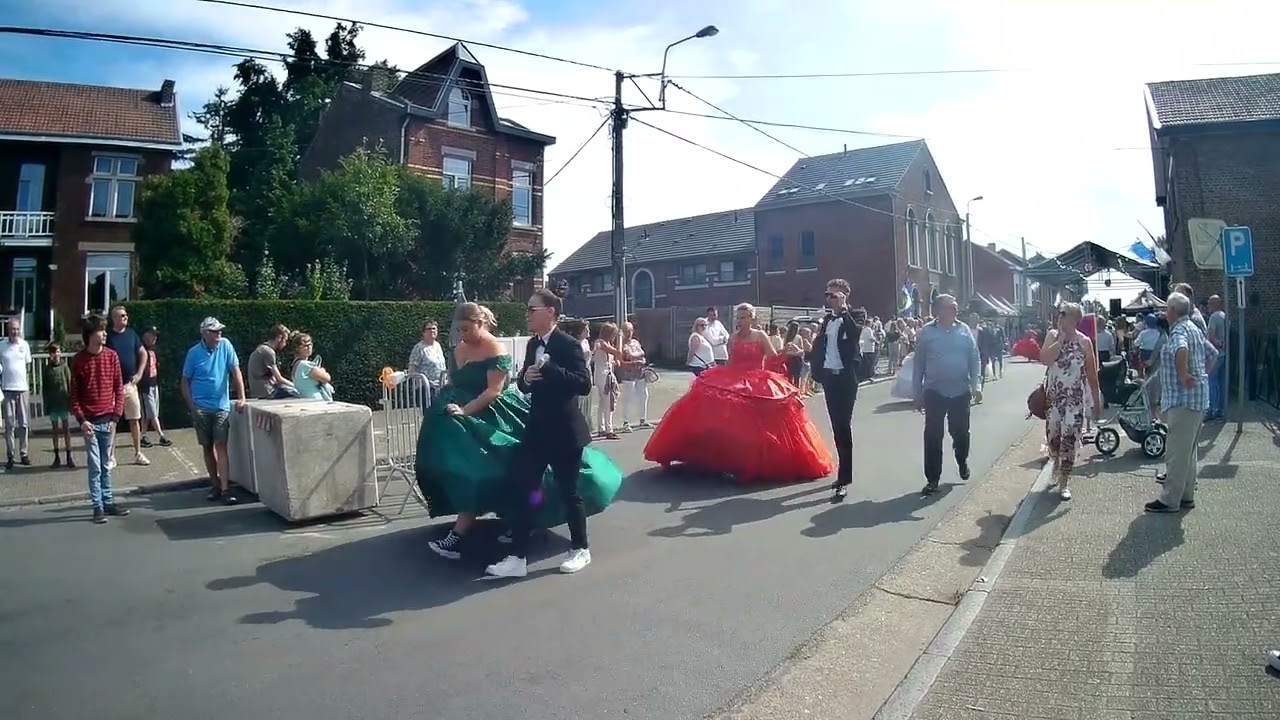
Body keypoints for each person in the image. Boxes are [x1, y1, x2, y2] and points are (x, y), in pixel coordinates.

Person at [419, 303, 621, 562]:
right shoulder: (476, 346)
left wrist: (465, 410)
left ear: (480, 323)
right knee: (491, 474)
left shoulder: (501, 348)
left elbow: (494, 390)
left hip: (492, 417)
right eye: (459, 329)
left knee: (512, 476)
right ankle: (515, 542)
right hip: (460, 417)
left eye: (467, 328)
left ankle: (575, 546)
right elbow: (520, 384)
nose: (462, 334)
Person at [485, 291, 618, 579]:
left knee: (569, 491)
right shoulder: (533, 343)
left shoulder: (567, 344)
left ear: (550, 312)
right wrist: (525, 380)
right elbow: (524, 382)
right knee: (526, 490)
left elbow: (583, 384)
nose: (527, 314)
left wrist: (551, 369)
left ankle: (580, 547)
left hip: (564, 432)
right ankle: (518, 556)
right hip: (536, 431)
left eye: (531, 309)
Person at [643, 302, 833, 485]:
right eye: (739, 317)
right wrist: (723, 381)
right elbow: (731, 361)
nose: (741, 321)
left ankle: (760, 459)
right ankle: (721, 456)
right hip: (734, 376)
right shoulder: (733, 338)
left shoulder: (760, 336)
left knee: (761, 420)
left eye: (744, 317)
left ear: (752, 318)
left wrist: (788, 352)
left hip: (757, 378)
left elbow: (773, 356)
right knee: (714, 409)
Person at [1147, 292, 1217, 513]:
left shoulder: (1179, 331)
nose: (1164, 313)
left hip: (1182, 401)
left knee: (1176, 453)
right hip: (1197, 400)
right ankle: (1186, 495)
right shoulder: (1195, 328)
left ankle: (1170, 500)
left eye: (1166, 309)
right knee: (1189, 452)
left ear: (1173, 311)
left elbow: (1180, 348)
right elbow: (1213, 352)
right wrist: (1203, 375)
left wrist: (1184, 374)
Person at [913, 294, 982, 495]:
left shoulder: (964, 330)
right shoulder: (927, 332)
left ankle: (962, 460)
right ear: (939, 311)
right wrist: (917, 392)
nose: (955, 310)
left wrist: (976, 386)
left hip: (960, 391)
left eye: (955, 307)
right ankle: (933, 479)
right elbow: (919, 364)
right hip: (934, 391)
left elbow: (974, 358)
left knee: (960, 432)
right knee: (933, 434)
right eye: (951, 307)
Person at [181, 317, 248, 505]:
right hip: (201, 407)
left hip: (221, 406)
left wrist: (241, 397)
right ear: (205, 334)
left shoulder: (226, 346)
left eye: (220, 331)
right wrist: (192, 405)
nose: (219, 335)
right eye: (215, 332)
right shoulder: (194, 353)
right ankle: (215, 484)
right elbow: (185, 381)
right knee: (207, 446)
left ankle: (226, 488)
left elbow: (236, 371)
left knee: (221, 445)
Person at [1040, 303, 1102, 500]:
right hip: (1054, 399)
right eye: (1060, 313)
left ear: (1075, 319)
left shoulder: (1084, 342)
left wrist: (1096, 401)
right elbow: (1045, 359)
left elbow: (1092, 373)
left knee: (1069, 440)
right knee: (1053, 439)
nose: (1060, 317)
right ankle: (1056, 461)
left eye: (1064, 314)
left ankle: (1064, 481)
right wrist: (1061, 339)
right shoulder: (1052, 336)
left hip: (1074, 400)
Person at [69, 315, 127, 524]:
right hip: (90, 421)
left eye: (104, 331)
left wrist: (116, 417)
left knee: (106, 464)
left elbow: (118, 389)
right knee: (94, 465)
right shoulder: (78, 360)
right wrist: (82, 420)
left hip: (108, 418)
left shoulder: (112, 357)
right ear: (90, 335)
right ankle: (98, 506)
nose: (104, 334)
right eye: (100, 331)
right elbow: (74, 396)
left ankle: (108, 500)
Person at [808, 278, 861, 502]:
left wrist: (844, 310)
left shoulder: (856, 314)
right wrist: (815, 370)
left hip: (846, 379)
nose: (829, 299)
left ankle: (844, 478)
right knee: (836, 426)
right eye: (827, 295)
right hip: (829, 377)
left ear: (845, 295)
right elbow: (819, 347)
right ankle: (842, 475)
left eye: (834, 295)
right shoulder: (827, 319)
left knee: (843, 425)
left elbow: (855, 333)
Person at [105, 306, 149, 467]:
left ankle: (138, 453)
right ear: (114, 318)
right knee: (113, 421)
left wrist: (139, 374)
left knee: (134, 419)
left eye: (126, 315)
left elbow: (143, 352)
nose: (125, 317)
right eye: (122, 316)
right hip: (113, 387)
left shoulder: (131, 334)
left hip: (130, 385)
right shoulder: (108, 337)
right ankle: (111, 456)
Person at [0, 318, 32, 469]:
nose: (15, 332)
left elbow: (28, 365)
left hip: (22, 389)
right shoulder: (1, 346)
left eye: (17, 329)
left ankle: (24, 453)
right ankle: (10, 455)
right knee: (10, 425)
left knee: (24, 424)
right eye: (12, 329)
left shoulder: (24, 345)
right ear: (8, 330)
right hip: (7, 389)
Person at [137, 326, 171, 448]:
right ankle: (161, 435)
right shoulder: (140, 350)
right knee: (151, 412)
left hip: (154, 383)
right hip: (145, 386)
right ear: (145, 336)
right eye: (152, 335)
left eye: (155, 335)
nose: (155, 337)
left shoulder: (154, 349)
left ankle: (142, 436)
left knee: (149, 413)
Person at [42, 342, 74, 469]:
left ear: (60, 353)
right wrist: (46, 405)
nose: (56, 355)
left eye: (58, 352)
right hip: (53, 404)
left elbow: (70, 384)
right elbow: (45, 389)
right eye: (53, 352)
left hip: (64, 402)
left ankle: (69, 455)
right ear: (50, 355)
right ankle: (56, 456)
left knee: (66, 429)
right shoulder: (47, 369)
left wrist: (71, 402)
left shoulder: (65, 367)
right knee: (55, 430)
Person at [246, 325, 292, 399]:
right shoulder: (269, 352)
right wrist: (296, 386)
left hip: (257, 392)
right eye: (285, 340)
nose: (285, 344)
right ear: (279, 338)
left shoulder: (261, 348)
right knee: (295, 394)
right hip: (267, 393)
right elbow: (279, 378)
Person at [286, 331, 333, 400]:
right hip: (316, 402)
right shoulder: (305, 365)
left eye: (310, 344)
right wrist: (322, 370)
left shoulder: (295, 364)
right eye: (305, 346)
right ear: (297, 348)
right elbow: (327, 378)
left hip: (307, 401)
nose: (309, 347)